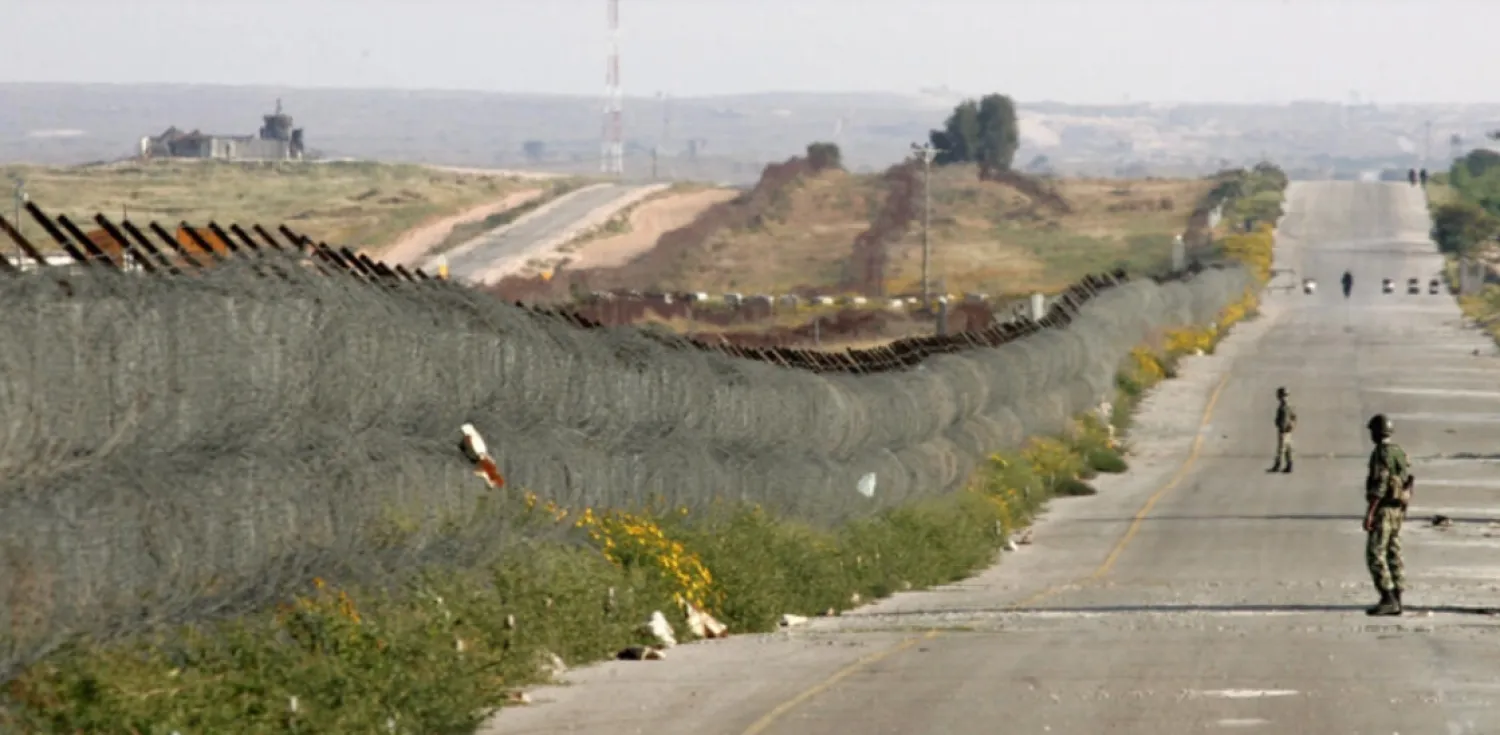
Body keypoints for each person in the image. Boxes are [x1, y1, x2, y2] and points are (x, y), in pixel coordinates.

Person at [1363, 414, 1414, 616]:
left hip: (1384, 509)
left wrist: (1370, 513)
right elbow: (1407, 480)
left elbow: (1380, 485)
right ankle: (1397, 596)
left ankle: (1387, 596)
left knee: (1375, 553)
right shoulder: (1399, 452)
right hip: (1397, 509)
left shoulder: (1380, 454)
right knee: (1394, 551)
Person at [1269, 387, 1296, 473]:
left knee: (1283, 449)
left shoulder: (1286, 407)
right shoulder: (1285, 406)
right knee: (1286, 449)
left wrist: (1291, 425)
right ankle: (1288, 465)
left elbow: (1293, 417)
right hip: (1284, 430)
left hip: (1284, 431)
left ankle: (1279, 465)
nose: (1283, 398)